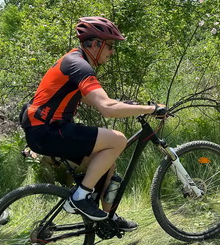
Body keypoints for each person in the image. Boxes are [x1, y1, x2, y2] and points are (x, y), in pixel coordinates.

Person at [21, 17, 165, 230]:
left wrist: (126, 105)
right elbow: (107, 108)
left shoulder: (74, 60)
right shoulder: (79, 65)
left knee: (107, 165)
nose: (112, 52)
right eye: (110, 46)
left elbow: (93, 100)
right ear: (96, 44)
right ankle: (80, 198)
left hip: (44, 131)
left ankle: (108, 218)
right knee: (118, 140)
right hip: (47, 131)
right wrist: (151, 109)